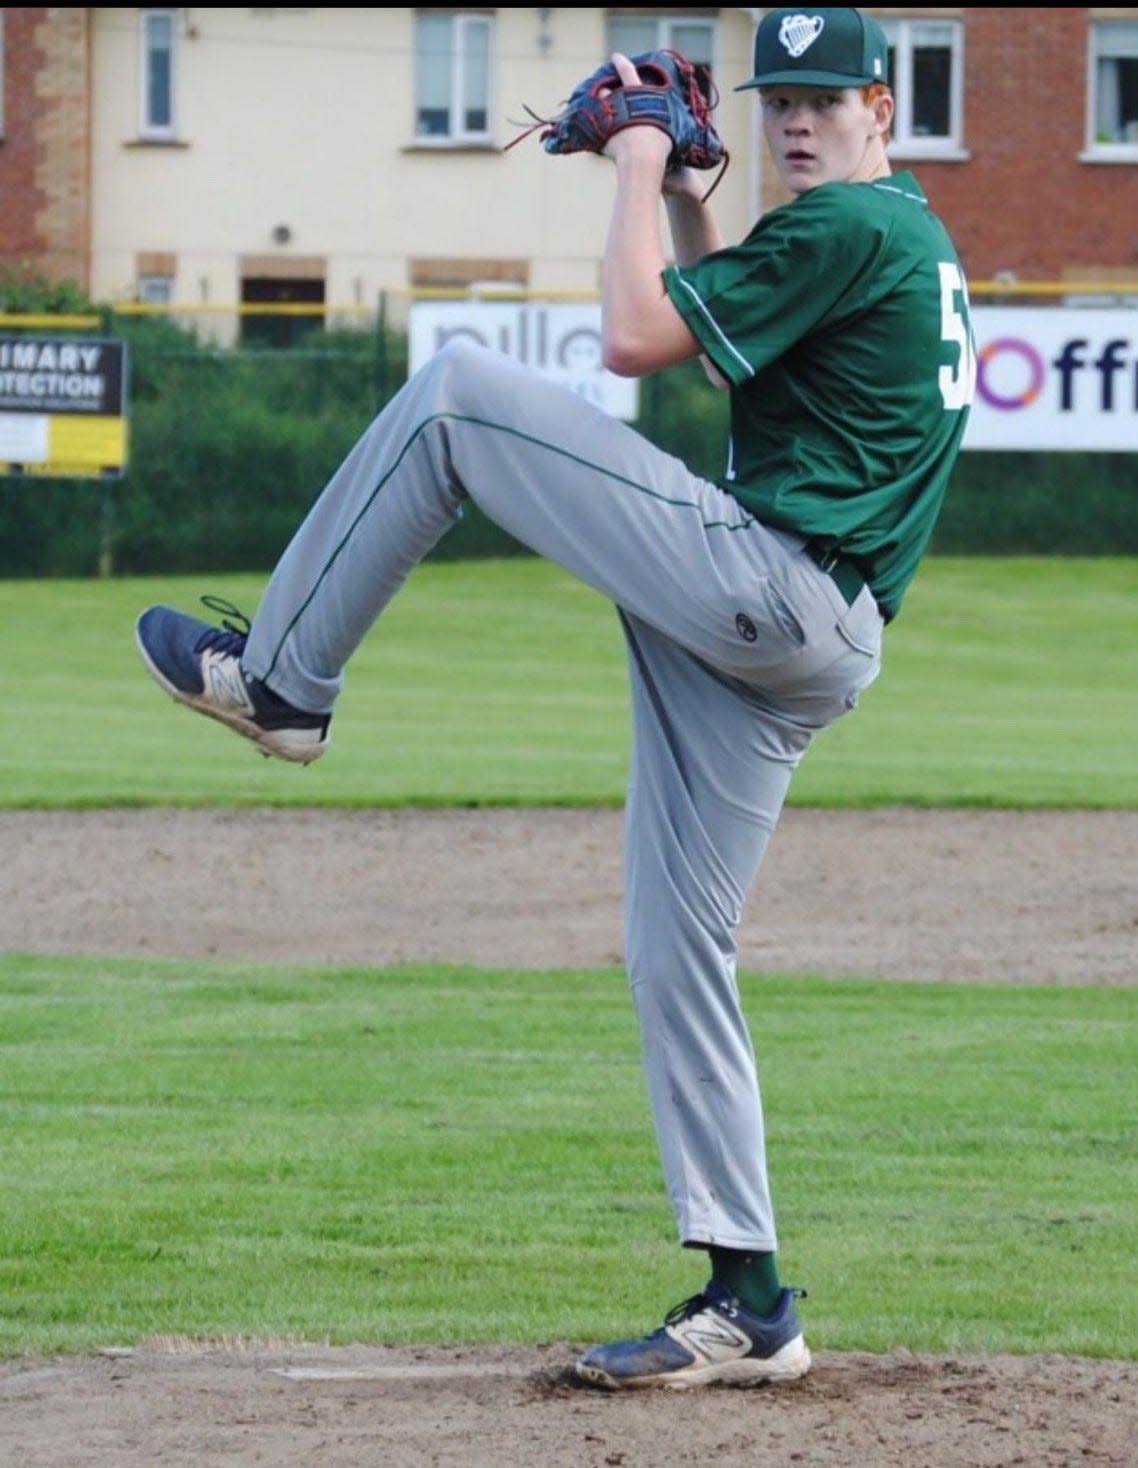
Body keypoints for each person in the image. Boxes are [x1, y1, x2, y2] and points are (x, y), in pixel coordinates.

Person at [136, 6, 974, 1391]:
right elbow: (719, 351)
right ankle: (748, 1299)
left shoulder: (847, 229)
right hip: (803, 634)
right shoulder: (891, 234)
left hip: (769, 584)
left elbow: (637, 340)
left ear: (882, 105)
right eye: (781, 102)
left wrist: (640, 161)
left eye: (828, 99)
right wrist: (695, 202)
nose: (798, 121)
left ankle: (282, 681)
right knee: (674, 946)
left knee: (461, 397)